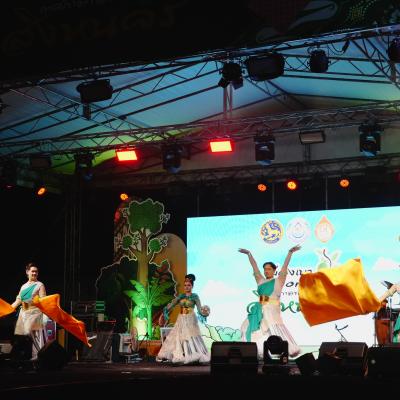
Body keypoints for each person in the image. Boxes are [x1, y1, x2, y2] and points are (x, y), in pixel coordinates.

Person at [239, 245, 301, 358]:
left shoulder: (279, 280)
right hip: (259, 309)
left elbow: (285, 267)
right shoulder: (260, 281)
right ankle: (257, 351)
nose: (266, 271)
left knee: (272, 329)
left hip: (272, 311)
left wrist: (290, 253)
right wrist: (249, 254)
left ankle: (286, 349)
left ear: (274, 270)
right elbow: (254, 267)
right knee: (246, 327)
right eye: (265, 269)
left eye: (269, 269)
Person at [156, 274, 210, 364]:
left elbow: (200, 310)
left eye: (188, 285)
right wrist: (165, 310)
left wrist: (205, 313)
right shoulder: (181, 296)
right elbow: (172, 305)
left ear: (192, 286)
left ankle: (192, 355)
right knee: (179, 337)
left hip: (190, 319)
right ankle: (181, 355)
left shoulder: (195, 296)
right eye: (185, 285)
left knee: (190, 336)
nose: (186, 287)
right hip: (181, 318)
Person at [11, 262, 48, 360]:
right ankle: (25, 358)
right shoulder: (23, 286)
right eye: (33, 271)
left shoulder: (40, 285)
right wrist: (8, 309)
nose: (35, 273)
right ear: (27, 272)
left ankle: (38, 358)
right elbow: (18, 300)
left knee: (34, 337)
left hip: (35, 313)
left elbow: (43, 301)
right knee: (23, 337)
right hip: (24, 314)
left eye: (36, 271)